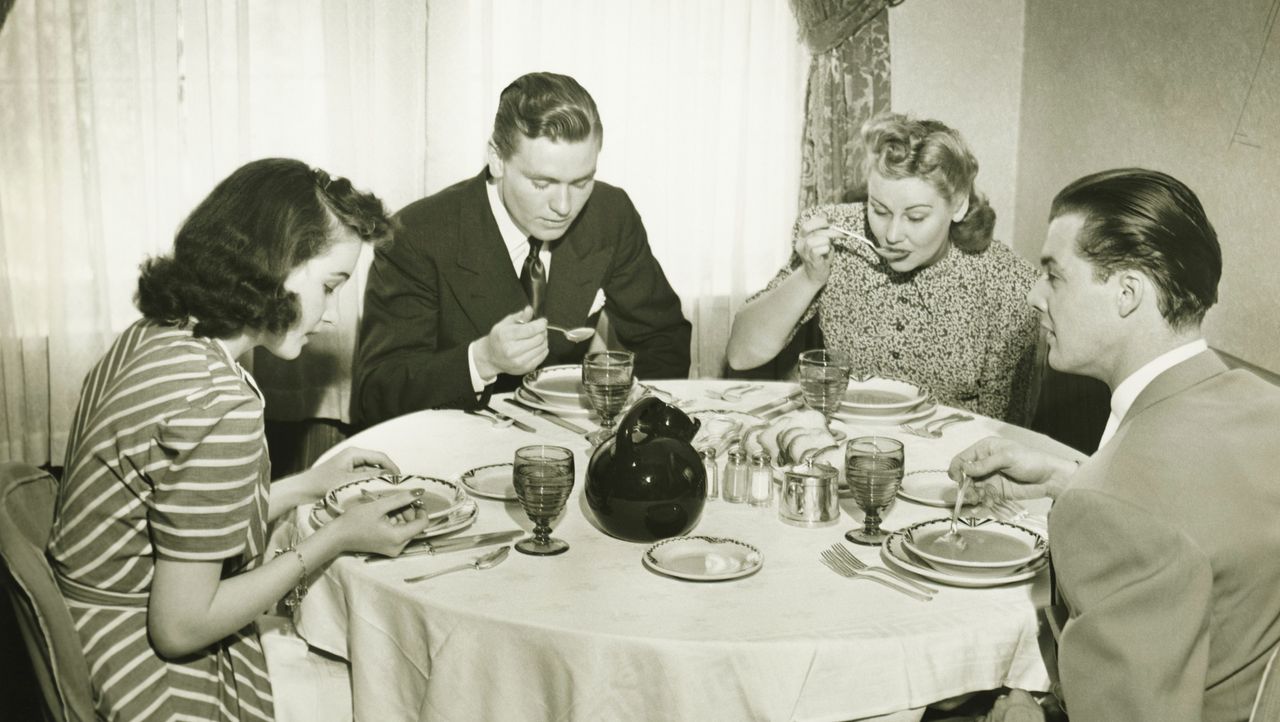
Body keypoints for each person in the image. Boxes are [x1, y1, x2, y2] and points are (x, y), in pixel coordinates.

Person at [48, 158, 437, 720]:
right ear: (274, 266)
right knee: (393, 695)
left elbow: (178, 520)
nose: (329, 317)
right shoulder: (219, 402)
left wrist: (309, 485)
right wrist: (337, 538)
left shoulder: (157, 334)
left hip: (85, 632)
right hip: (139, 675)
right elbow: (181, 628)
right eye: (330, 286)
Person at [949, 168, 1280, 722]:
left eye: (1054, 275)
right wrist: (1066, 479)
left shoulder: (1114, 506)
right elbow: (1194, 519)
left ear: (1127, 293)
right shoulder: (1264, 405)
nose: (1034, 296)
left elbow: (1139, 519)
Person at [352, 71, 692, 426]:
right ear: (497, 159)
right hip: (455, 444)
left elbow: (663, 337)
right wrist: (482, 359)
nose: (564, 205)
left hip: (574, 440)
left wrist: (636, 425)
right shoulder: (417, 234)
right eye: (542, 183)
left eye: (581, 181)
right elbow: (377, 393)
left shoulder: (610, 213)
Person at [726, 112, 1039, 423]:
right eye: (879, 210)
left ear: (957, 204)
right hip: (842, 442)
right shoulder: (837, 235)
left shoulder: (1007, 284)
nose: (891, 234)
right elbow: (741, 354)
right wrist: (809, 277)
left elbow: (1001, 429)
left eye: (915, 217)